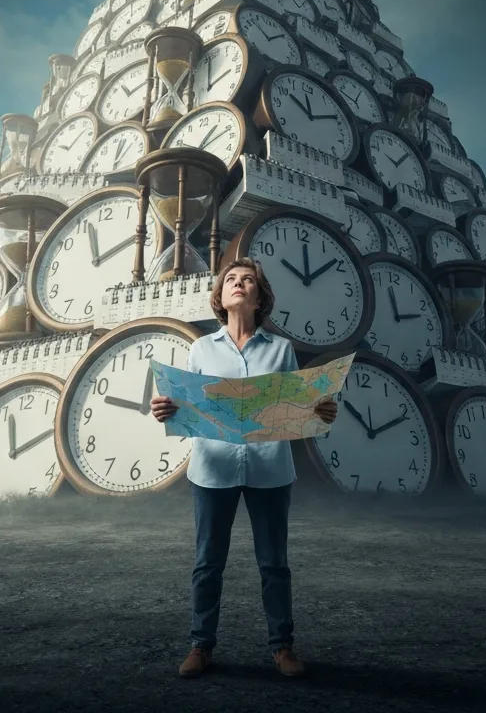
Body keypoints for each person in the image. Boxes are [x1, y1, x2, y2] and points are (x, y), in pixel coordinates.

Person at [150, 256, 338, 680]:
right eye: (230, 279)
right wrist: (165, 409)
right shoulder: (200, 349)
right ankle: (201, 645)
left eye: (247, 279)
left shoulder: (281, 349)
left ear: (259, 296)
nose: (238, 284)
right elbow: (186, 406)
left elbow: (297, 407)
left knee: (274, 563)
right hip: (211, 468)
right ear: (220, 296)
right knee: (207, 562)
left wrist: (321, 410)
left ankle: (282, 647)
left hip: (270, 468)